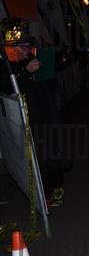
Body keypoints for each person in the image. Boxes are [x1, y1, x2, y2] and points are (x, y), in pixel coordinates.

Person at [1, 18, 64, 207]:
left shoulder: (31, 56)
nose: (26, 50)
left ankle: (54, 189)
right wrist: (25, 71)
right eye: (22, 47)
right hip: (23, 118)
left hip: (43, 113)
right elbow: (6, 86)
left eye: (28, 47)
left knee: (51, 149)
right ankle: (43, 194)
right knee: (35, 155)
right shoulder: (6, 63)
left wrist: (50, 65)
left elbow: (49, 81)